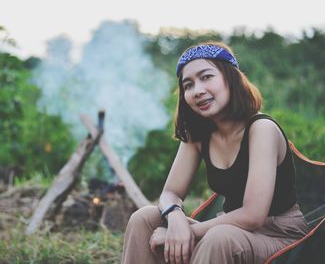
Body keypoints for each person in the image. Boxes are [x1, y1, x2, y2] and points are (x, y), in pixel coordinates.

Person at [121, 42, 309, 264]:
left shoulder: (261, 129)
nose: (198, 91)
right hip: (229, 230)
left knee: (219, 238)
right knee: (144, 218)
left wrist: (190, 232)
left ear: (231, 78)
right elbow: (170, 193)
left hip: (279, 236)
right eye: (188, 85)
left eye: (206, 77)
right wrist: (175, 216)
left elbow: (253, 215)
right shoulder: (199, 135)